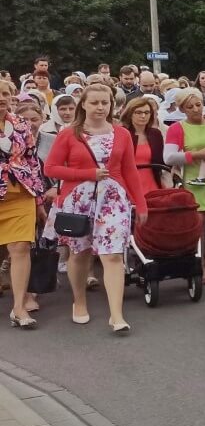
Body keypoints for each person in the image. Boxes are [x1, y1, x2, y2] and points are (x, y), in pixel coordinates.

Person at [44, 84, 148, 334]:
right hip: (78, 199)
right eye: (94, 102)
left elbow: (130, 170)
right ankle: (79, 301)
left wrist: (141, 202)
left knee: (113, 256)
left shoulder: (122, 133)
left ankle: (116, 315)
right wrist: (87, 173)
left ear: (112, 104)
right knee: (80, 253)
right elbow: (51, 168)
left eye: (105, 102)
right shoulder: (69, 133)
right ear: (84, 104)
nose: (100, 107)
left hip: (113, 199)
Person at [163, 88, 205, 284]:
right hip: (193, 184)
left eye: (198, 105)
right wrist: (198, 154)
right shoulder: (177, 128)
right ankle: (201, 265)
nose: (196, 109)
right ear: (182, 109)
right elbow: (168, 157)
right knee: (198, 226)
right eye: (190, 107)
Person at [0, 83, 46, 328]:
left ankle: (18, 308)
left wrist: (39, 200)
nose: (1, 98)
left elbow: (32, 162)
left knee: (20, 248)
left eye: (5, 93)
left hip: (21, 195)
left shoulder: (21, 124)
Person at [118, 98, 167, 195]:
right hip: (127, 185)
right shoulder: (121, 133)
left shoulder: (155, 134)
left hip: (153, 183)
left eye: (147, 112)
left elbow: (161, 161)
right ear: (130, 114)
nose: (143, 116)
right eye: (138, 112)